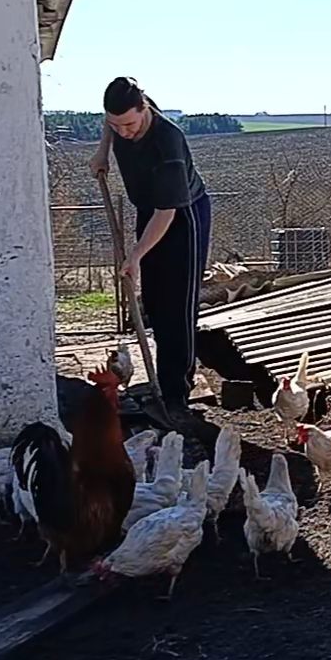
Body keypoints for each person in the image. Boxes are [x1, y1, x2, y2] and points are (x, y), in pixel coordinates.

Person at [88, 77, 213, 425]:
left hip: (182, 216)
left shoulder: (167, 141)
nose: (123, 132)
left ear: (145, 109)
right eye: (116, 125)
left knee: (177, 308)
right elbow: (111, 123)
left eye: (129, 124)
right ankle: (161, 380)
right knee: (155, 304)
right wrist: (102, 151)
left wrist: (136, 256)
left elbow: (167, 213)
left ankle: (176, 396)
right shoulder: (120, 118)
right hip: (150, 208)